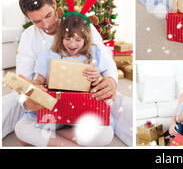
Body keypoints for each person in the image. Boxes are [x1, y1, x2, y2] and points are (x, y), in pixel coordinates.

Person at [2, 0, 132, 146]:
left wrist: (110, 81)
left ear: (54, 5)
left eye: (48, 15)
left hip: (85, 101)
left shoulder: (82, 25)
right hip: (51, 106)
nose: (47, 25)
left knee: (107, 131)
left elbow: (105, 61)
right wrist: (30, 97)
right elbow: (25, 80)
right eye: (37, 21)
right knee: (21, 126)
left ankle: (49, 138)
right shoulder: (32, 40)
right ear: (29, 19)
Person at [15, 14, 114, 147]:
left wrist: (98, 78)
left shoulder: (94, 53)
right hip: (55, 111)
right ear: (61, 37)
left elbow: (104, 83)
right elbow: (38, 80)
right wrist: (31, 86)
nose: (72, 44)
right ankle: (70, 144)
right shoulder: (48, 55)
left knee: (106, 134)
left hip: (82, 112)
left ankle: (49, 139)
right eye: (68, 39)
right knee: (21, 128)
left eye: (78, 40)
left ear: (85, 39)